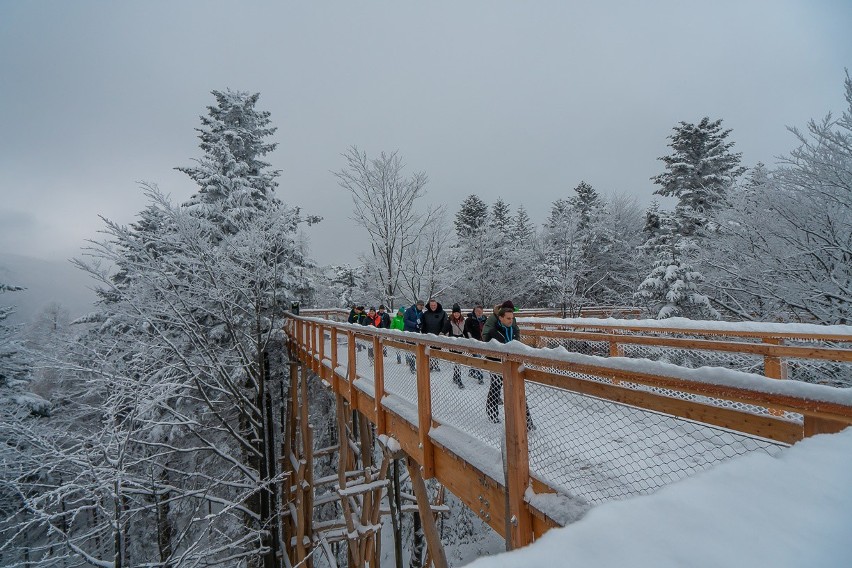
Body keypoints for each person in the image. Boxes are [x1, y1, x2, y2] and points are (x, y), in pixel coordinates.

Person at [483, 303, 534, 430]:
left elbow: (517, 345)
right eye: (508, 318)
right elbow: (489, 346)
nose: (511, 321)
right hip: (497, 364)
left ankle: (527, 421)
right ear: (500, 318)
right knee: (495, 388)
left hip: (513, 364)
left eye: (512, 318)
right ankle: (492, 413)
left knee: (518, 391)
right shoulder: (493, 331)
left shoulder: (514, 330)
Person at [420, 298, 446, 372]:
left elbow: (445, 324)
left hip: (438, 335)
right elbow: (423, 324)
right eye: (431, 305)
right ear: (429, 305)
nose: (433, 306)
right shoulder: (426, 314)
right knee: (429, 351)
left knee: (437, 351)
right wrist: (423, 332)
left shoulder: (442, 313)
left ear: (436, 305)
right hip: (428, 335)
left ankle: (436, 364)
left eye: (434, 305)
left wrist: (442, 332)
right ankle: (430, 365)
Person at [444, 303, 466, 388]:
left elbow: (466, 331)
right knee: (457, 361)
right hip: (453, 343)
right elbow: (444, 330)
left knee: (458, 361)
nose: (456, 314)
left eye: (458, 313)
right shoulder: (449, 321)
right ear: (453, 313)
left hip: (460, 342)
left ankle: (455, 376)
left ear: (460, 313)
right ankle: (458, 379)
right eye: (455, 313)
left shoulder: (463, 321)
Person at [463, 305, 487, 384]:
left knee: (477, 358)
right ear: (474, 311)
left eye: (481, 312)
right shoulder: (469, 320)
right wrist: (470, 339)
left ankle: (472, 372)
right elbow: (467, 330)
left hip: (482, 342)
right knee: (478, 359)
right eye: (477, 311)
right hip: (473, 342)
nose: (479, 313)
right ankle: (480, 377)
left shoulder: (484, 319)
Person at [403, 300, 425, 373]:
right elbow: (405, 320)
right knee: (411, 349)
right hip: (409, 332)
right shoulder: (409, 310)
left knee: (415, 350)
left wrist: (420, 326)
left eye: (422, 305)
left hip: (416, 333)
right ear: (417, 305)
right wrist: (414, 325)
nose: (421, 307)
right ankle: (412, 366)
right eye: (420, 305)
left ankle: (415, 365)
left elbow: (421, 322)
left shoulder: (421, 313)